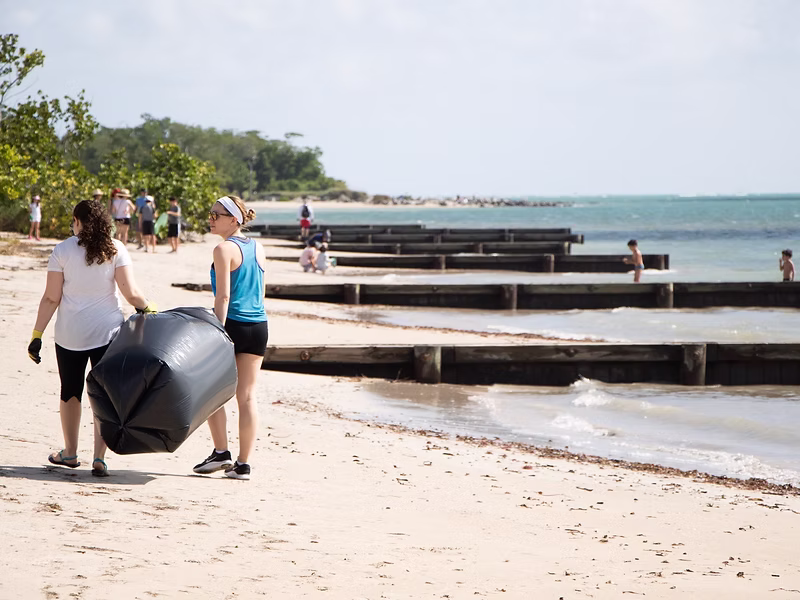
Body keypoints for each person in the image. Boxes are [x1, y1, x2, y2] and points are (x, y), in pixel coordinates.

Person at [27, 198, 156, 477]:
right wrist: (148, 309)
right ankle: (99, 458)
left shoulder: (62, 250)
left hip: (70, 334)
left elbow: (51, 297)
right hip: (108, 333)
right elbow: (130, 292)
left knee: (70, 391)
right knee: (105, 395)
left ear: (78, 221)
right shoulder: (116, 248)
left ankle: (70, 453)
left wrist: (37, 334)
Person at [193, 195, 268, 480]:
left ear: (234, 219)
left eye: (216, 215)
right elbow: (259, 291)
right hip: (259, 326)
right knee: (247, 396)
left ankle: (221, 452)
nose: (210, 219)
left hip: (233, 324)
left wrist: (217, 330)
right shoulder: (259, 248)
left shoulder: (223, 249)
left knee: (214, 391)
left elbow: (223, 296)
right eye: (210, 214)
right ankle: (244, 464)